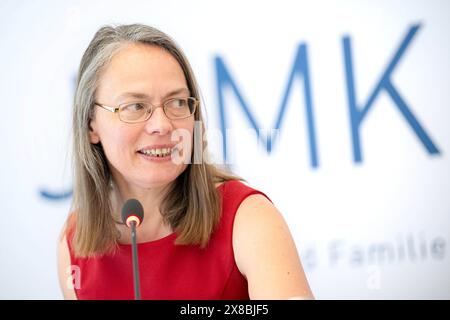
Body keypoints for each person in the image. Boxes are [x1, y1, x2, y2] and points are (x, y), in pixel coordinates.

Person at [57, 23, 314, 300]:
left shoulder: (247, 217)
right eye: (135, 106)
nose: (162, 125)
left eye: (177, 102)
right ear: (91, 125)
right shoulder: (73, 242)